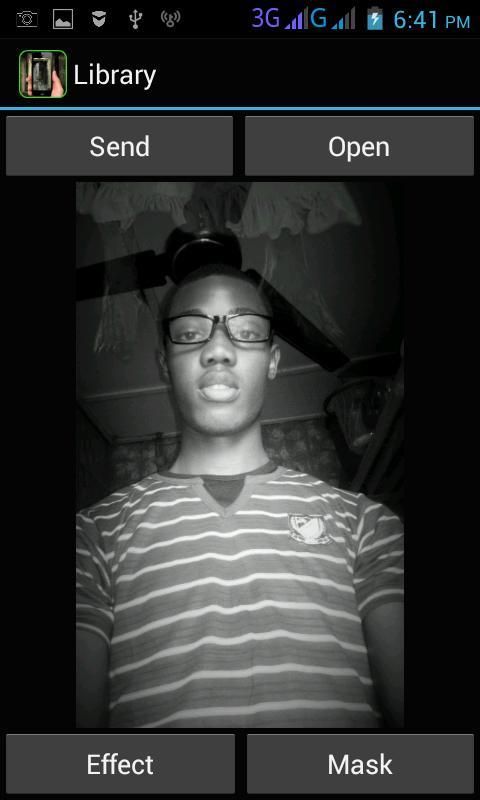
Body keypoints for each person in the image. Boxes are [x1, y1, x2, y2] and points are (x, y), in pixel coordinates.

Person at [76, 263, 404, 729]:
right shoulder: (90, 536)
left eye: (247, 332)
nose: (217, 349)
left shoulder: (367, 523)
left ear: (273, 362)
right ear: (164, 364)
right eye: (190, 333)